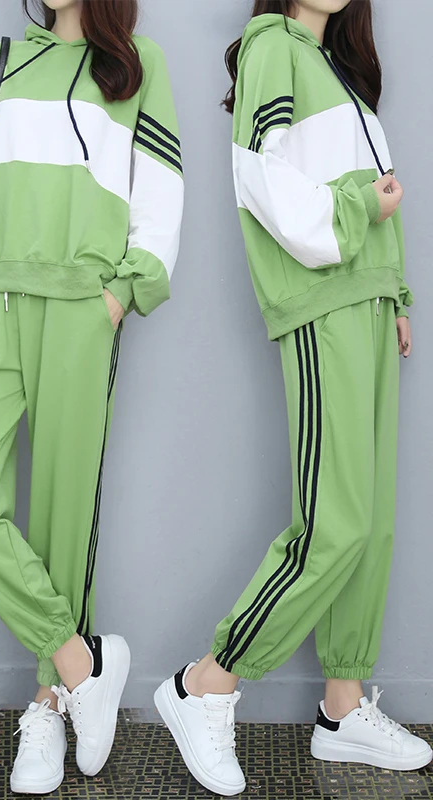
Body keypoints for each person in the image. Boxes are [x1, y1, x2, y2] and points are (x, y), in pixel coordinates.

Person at [0, 0, 183, 793]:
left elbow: (160, 195)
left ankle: (50, 707)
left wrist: (122, 295)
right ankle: (81, 662)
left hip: (81, 308)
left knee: (63, 520)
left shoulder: (137, 67)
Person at [153, 1, 430, 796]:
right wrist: (361, 211)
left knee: (370, 524)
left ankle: (342, 708)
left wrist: (394, 291)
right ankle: (208, 680)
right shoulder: (272, 47)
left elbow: (371, 191)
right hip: (321, 305)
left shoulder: (338, 71)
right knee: (335, 524)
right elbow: (265, 181)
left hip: (365, 303)